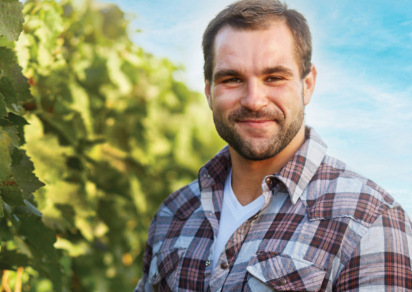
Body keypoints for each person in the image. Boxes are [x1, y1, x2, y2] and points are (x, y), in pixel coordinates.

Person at [135, 0, 412, 291]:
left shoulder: (369, 220)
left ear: (307, 85)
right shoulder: (173, 213)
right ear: (209, 92)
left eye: (274, 77)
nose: (254, 100)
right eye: (232, 79)